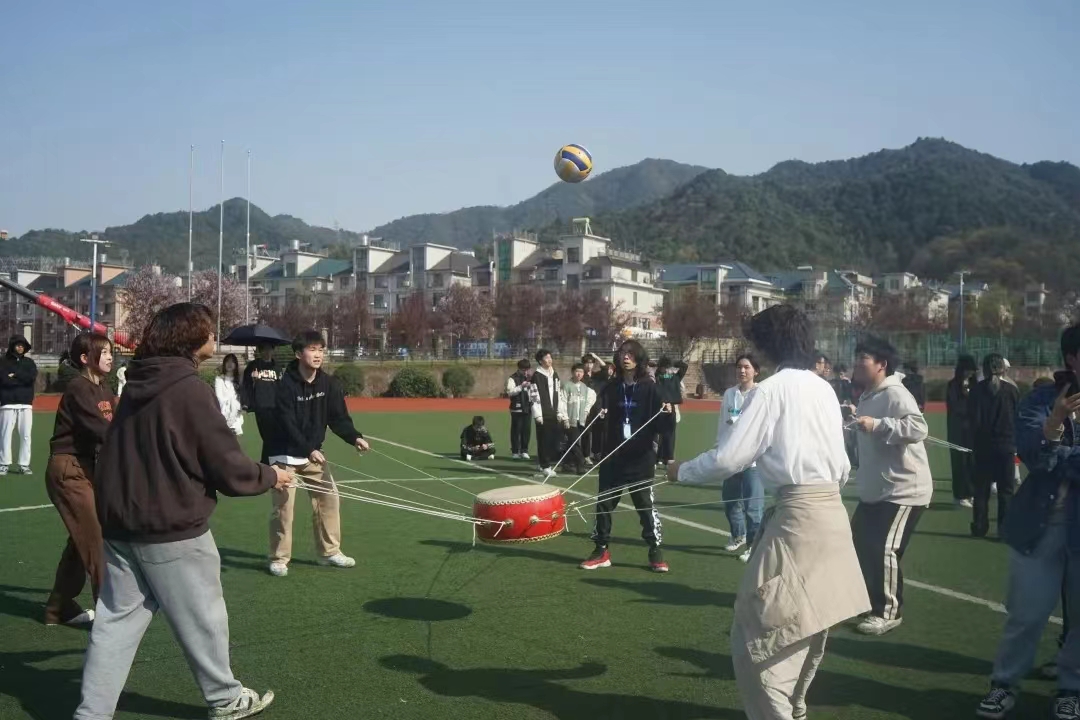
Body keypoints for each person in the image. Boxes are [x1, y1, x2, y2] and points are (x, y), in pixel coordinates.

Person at [75, 302, 289, 720]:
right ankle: (226, 699)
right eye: (210, 331)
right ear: (192, 339)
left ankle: (91, 713)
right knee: (204, 620)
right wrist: (270, 475)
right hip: (170, 526)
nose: (214, 338)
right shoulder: (188, 388)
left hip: (120, 524)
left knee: (114, 624)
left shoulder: (136, 382)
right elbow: (226, 464)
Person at [669, 304, 869, 720]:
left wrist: (681, 470)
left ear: (768, 344)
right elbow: (844, 466)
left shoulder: (771, 390)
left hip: (799, 520)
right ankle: (794, 712)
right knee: (807, 625)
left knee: (761, 634)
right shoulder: (824, 389)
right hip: (831, 516)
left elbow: (730, 458)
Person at [975, 324, 1080, 720]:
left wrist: (1058, 451)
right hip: (1041, 524)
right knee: (1027, 614)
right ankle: (1004, 684)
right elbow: (1034, 458)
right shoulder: (1042, 399)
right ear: (1072, 358)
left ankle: (1071, 689)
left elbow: (1052, 459)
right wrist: (1055, 423)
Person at [265, 330, 370, 577]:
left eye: (321, 350)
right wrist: (308, 449)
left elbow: (338, 418)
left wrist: (354, 437)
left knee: (329, 499)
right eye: (312, 349)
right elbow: (287, 424)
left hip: (312, 454)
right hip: (284, 455)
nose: (318, 355)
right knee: (284, 509)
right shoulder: (284, 386)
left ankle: (329, 552)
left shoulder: (328, 384)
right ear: (298, 354)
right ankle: (279, 558)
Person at [849, 336, 932, 636]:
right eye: (857, 357)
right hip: (876, 490)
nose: (857, 363)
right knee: (859, 543)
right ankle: (868, 602)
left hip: (903, 489)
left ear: (881, 365)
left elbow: (919, 427)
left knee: (884, 548)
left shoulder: (895, 393)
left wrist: (878, 425)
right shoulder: (867, 396)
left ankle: (888, 612)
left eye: (864, 358)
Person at [43, 333, 114, 627]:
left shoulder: (104, 388)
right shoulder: (78, 388)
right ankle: (112, 618)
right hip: (68, 469)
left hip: (87, 469)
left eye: (110, 351)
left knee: (80, 538)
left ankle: (58, 608)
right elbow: (103, 430)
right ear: (85, 358)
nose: (110, 356)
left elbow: (117, 422)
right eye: (104, 352)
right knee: (97, 540)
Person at [580, 340, 669, 573]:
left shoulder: (650, 388)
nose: (625, 358)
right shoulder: (612, 387)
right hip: (613, 456)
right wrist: (598, 412)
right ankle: (601, 550)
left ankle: (655, 550)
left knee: (645, 507)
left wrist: (667, 413)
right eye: (622, 354)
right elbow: (597, 415)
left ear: (639, 358)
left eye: (630, 354)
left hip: (641, 458)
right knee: (604, 505)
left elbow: (661, 425)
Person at [969, 353, 1021, 538]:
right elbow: (1017, 418)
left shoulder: (976, 390)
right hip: (1006, 446)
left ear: (984, 369)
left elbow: (972, 420)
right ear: (1002, 369)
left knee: (981, 490)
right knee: (1006, 491)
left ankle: (979, 526)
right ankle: (1004, 530)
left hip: (983, 446)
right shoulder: (1012, 390)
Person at [720, 354, 765, 564]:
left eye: (747, 367)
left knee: (753, 508)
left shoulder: (761, 394)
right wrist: (719, 448)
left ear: (756, 371)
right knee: (730, 502)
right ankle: (738, 535)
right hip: (732, 457)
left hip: (753, 461)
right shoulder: (730, 393)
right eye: (739, 367)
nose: (742, 371)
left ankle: (753, 547)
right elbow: (723, 422)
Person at [0, 333, 37, 475]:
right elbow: (3, 380)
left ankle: (24, 464)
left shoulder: (29, 363)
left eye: (22, 345)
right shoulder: (3, 362)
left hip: (26, 404)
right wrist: (20, 378)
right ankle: (4, 463)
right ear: (12, 346)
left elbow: (31, 377)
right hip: (7, 403)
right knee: (5, 435)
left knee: (26, 435)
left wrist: (14, 375)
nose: (20, 347)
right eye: (18, 345)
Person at [946, 355, 978, 509]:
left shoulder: (976, 385)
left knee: (973, 462)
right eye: (968, 370)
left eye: (972, 371)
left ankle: (971, 493)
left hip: (973, 430)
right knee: (960, 463)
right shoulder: (952, 385)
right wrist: (966, 398)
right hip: (957, 431)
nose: (970, 373)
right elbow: (954, 407)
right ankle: (959, 496)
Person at [242, 342, 281, 463]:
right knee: (267, 436)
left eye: (269, 349)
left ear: (273, 350)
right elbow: (246, 385)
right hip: (261, 406)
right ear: (260, 351)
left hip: (276, 407)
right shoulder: (254, 366)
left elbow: (282, 387)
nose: (267, 352)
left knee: (273, 436)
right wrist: (253, 380)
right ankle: (267, 462)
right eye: (264, 349)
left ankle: (267, 462)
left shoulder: (277, 367)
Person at [530, 348, 566, 475]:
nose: (549, 360)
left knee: (552, 439)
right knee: (543, 439)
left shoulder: (554, 374)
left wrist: (560, 411)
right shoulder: (537, 376)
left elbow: (559, 393)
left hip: (554, 412)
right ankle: (545, 465)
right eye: (546, 358)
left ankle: (543, 463)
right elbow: (533, 396)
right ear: (540, 361)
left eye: (550, 357)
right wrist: (537, 414)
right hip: (543, 413)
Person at [559, 363, 597, 475]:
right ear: (572, 372)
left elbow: (592, 397)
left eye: (581, 372)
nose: (579, 374)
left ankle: (566, 464)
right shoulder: (567, 386)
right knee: (575, 443)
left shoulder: (585, 387)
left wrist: (586, 410)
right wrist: (565, 418)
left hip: (581, 420)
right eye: (577, 371)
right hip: (570, 420)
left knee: (571, 442)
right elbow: (562, 402)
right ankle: (581, 465)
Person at [655, 356, 689, 466]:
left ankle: (667, 457)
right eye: (665, 368)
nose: (667, 370)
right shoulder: (660, 376)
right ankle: (661, 457)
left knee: (669, 434)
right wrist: (665, 365)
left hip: (670, 408)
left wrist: (672, 363)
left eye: (667, 368)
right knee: (661, 434)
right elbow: (659, 375)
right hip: (661, 407)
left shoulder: (674, 377)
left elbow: (684, 366)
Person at [505, 358, 534, 460]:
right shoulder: (512, 378)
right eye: (523, 370)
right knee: (516, 430)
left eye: (527, 370)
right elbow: (510, 392)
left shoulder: (530, 378)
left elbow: (533, 392)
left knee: (526, 430)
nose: (525, 372)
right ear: (519, 369)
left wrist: (531, 388)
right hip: (516, 408)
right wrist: (521, 386)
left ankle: (524, 450)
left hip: (527, 408)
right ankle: (515, 451)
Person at [215, 353, 244, 436]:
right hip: (223, 415)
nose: (230, 364)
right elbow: (219, 399)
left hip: (236, 417)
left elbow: (240, 400)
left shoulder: (239, 381)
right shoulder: (219, 379)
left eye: (232, 361)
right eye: (227, 361)